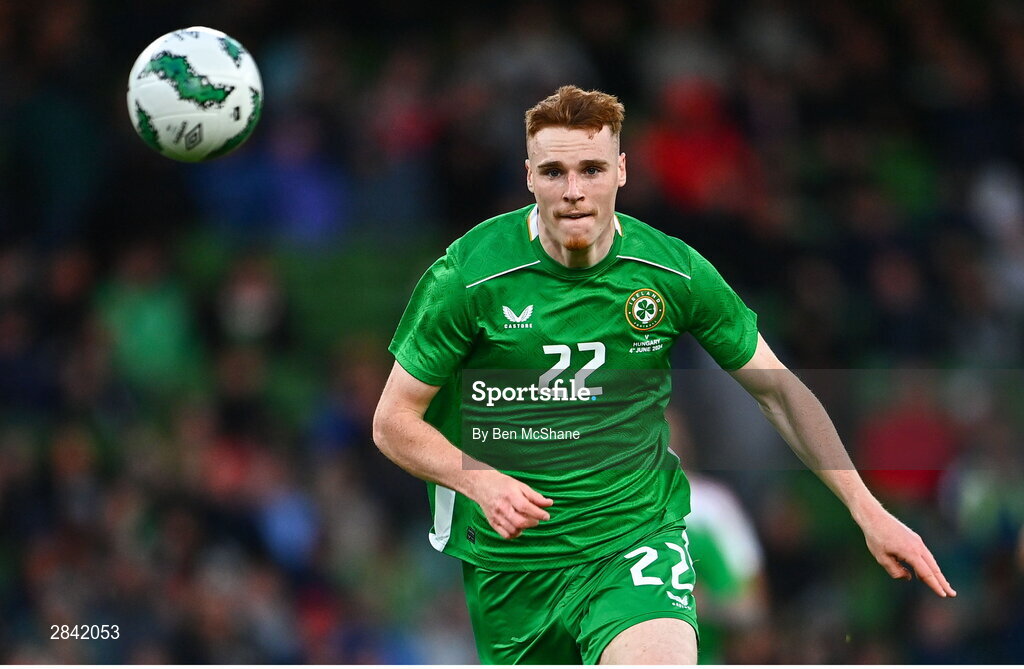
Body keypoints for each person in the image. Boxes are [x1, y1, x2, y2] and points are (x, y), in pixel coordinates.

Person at [372, 85, 956, 665]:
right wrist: (479, 480)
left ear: (621, 171)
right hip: (512, 568)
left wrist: (867, 509)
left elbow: (778, 389)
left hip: (635, 540)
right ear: (528, 176)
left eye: (592, 169)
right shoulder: (467, 277)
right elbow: (393, 421)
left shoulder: (671, 272)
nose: (574, 192)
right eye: (554, 172)